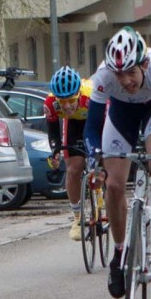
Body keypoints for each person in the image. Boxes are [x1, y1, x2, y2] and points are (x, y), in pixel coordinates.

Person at [84, 26, 151, 299]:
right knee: (115, 185)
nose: (127, 81)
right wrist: (94, 155)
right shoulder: (103, 75)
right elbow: (92, 126)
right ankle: (119, 254)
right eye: (120, 75)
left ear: (144, 64)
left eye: (131, 73)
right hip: (121, 115)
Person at [44, 66, 94, 241]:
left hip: (93, 122)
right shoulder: (51, 103)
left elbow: (104, 126)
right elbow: (53, 133)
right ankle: (78, 218)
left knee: (102, 159)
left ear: (78, 94)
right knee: (73, 169)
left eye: (71, 100)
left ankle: (102, 192)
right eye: (62, 101)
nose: (66, 105)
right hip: (72, 125)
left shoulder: (91, 96)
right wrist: (55, 151)